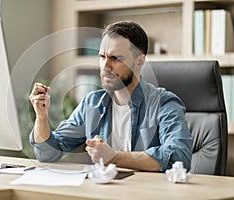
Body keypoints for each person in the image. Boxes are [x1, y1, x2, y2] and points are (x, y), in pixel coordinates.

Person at [29, 21, 192, 172]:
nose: (105, 66)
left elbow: (180, 157)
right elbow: (48, 154)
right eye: (102, 57)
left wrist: (113, 157)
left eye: (115, 58)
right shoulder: (92, 103)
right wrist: (41, 117)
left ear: (139, 61)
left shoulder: (164, 102)